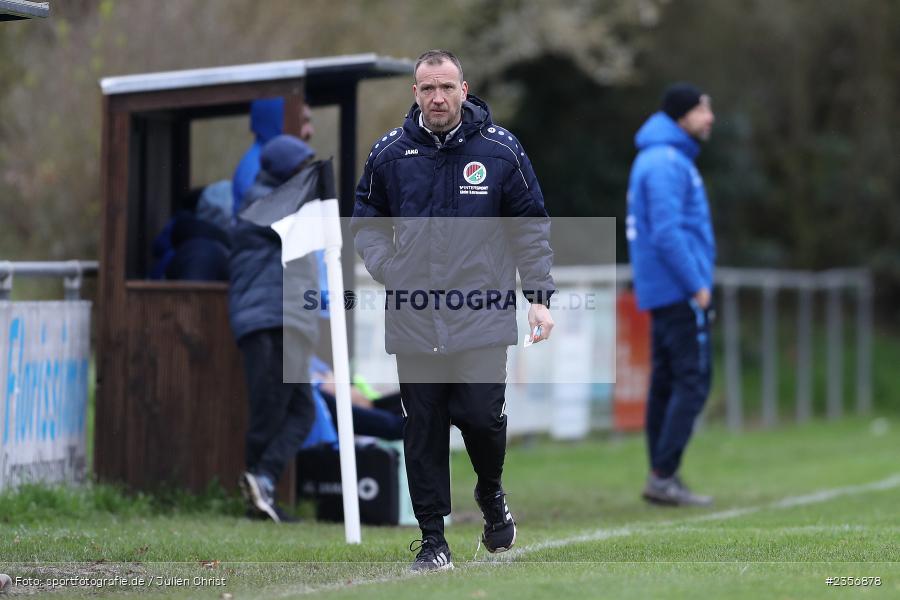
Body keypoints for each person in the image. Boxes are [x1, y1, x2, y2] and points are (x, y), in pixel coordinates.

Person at [352, 49, 555, 571]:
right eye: (427, 89)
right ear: (415, 94)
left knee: (482, 420)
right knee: (423, 429)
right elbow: (367, 219)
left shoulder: (501, 151)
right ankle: (432, 539)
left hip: (481, 316)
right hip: (414, 318)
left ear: (465, 89)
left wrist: (539, 297)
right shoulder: (389, 155)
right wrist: (387, 267)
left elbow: (529, 226)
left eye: (446, 87)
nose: (437, 97)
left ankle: (490, 493)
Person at [626, 82, 717, 507]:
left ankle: (663, 475)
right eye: (703, 109)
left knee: (666, 383)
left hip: (664, 289)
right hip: (678, 289)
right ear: (683, 115)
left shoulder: (662, 156)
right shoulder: (664, 161)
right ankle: (663, 475)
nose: (710, 117)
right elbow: (665, 233)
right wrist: (697, 285)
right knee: (692, 380)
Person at [230, 134, 319, 523]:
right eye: (301, 169)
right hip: (273, 321)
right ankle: (259, 485)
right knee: (273, 409)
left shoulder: (278, 203)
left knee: (300, 411)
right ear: (286, 172)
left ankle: (261, 483)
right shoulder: (264, 205)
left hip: (285, 321)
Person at [232, 98, 315, 218]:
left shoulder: (264, 161)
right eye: (303, 121)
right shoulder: (255, 168)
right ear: (280, 120)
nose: (310, 131)